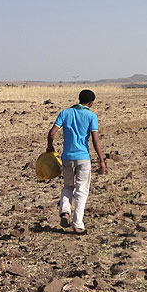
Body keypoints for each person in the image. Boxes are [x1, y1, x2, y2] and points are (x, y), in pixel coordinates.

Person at [47, 89, 107, 233]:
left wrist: (50, 147)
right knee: (82, 190)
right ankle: (77, 224)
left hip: (67, 157)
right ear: (91, 103)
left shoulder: (65, 113)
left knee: (68, 186)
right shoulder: (91, 116)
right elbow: (95, 139)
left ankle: (65, 212)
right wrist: (101, 160)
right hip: (83, 158)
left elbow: (52, 133)